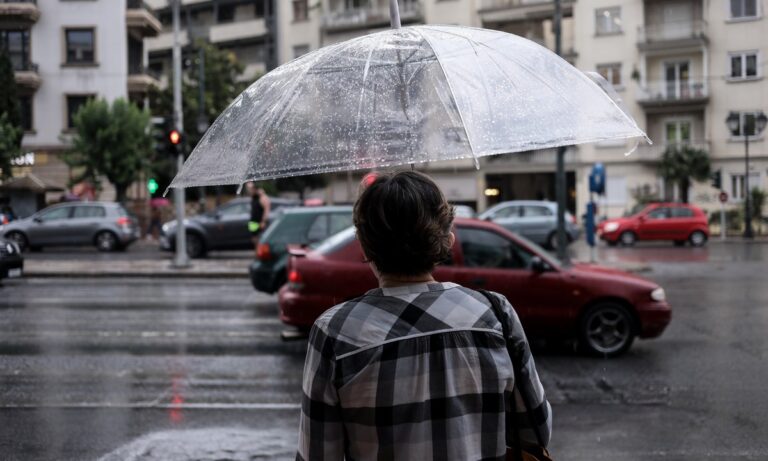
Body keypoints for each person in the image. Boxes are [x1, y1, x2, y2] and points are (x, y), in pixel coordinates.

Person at [297, 171, 551, 460]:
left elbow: (317, 454)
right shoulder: (496, 314)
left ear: (364, 244)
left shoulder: (335, 332)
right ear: (448, 239)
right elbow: (537, 431)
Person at [246, 182, 270, 258]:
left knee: (260, 240)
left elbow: (267, 210)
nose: (250, 190)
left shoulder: (262, 197)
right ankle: (257, 254)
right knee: (254, 240)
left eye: (251, 188)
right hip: (253, 222)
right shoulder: (253, 197)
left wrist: (263, 221)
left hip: (259, 222)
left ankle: (260, 255)